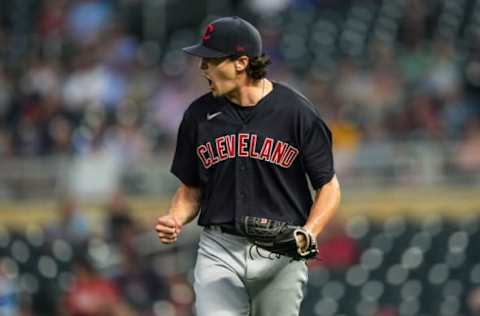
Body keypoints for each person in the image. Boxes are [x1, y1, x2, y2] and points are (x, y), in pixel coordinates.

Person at [155, 16, 341, 316]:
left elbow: (329, 185)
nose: (203, 68)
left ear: (241, 63)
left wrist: (310, 232)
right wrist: (175, 217)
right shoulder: (198, 115)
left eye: (211, 60)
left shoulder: (296, 112)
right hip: (220, 248)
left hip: (280, 249)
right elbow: (191, 189)